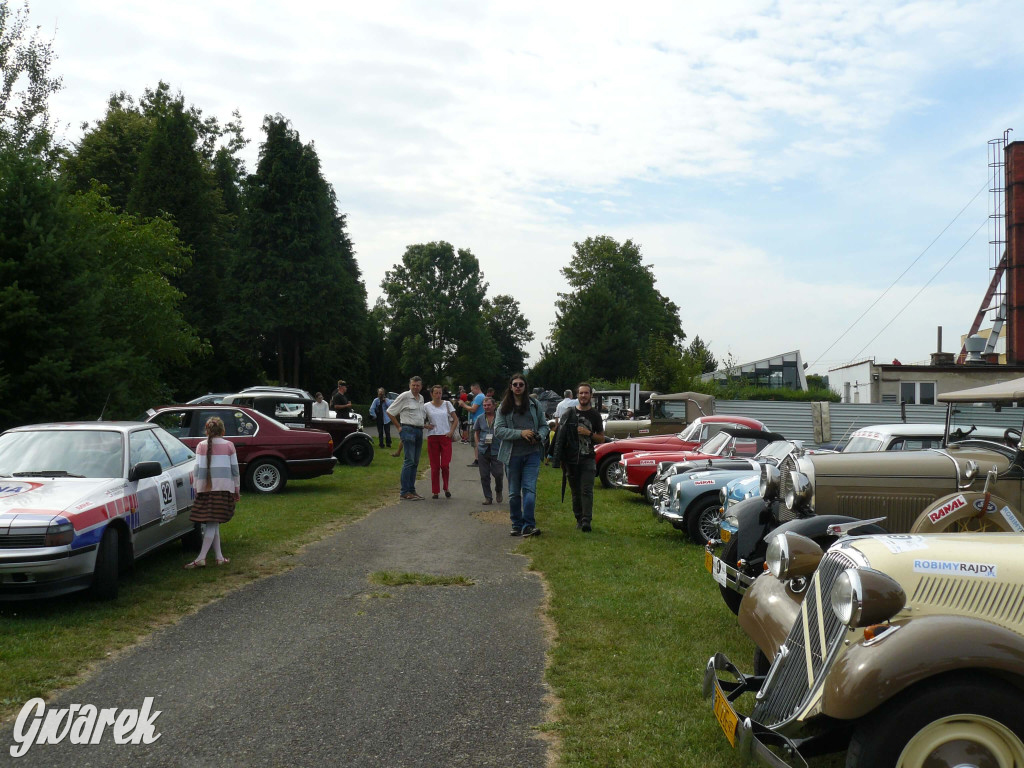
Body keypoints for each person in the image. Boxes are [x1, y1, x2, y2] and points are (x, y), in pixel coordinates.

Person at [494, 373, 549, 537]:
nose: (518, 387)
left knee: (529, 490)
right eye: (515, 384)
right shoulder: (503, 407)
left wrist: (539, 435)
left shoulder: (534, 404)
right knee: (513, 493)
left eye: (521, 384)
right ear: (510, 387)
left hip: (532, 454)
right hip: (512, 455)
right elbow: (498, 430)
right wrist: (521, 433)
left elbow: (544, 426)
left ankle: (529, 525)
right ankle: (516, 524)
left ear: (525, 387)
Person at [185, 417, 240, 568]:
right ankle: (205, 557)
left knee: (212, 522)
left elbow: (197, 470)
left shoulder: (200, 445)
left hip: (205, 489)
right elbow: (235, 470)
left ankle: (214, 557)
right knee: (213, 523)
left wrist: (196, 488)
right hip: (223, 489)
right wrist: (236, 489)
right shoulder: (229, 445)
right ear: (223, 431)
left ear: (207, 430)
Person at [553, 382, 605, 532]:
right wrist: (559, 458)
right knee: (575, 491)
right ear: (577, 396)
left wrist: (588, 433)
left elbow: (601, 438)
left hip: (588, 457)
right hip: (571, 459)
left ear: (591, 396)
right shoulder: (568, 414)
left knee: (586, 490)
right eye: (581, 393)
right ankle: (578, 518)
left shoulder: (595, 415)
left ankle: (586, 520)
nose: (583, 396)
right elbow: (560, 438)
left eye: (586, 393)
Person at [387, 377, 426, 500]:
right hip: (408, 430)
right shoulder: (404, 396)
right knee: (409, 461)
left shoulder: (421, 398)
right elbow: (390, 412)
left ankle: (412, 490)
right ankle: (404, 491)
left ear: (421, 386)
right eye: (413, 385)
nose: (415, 387)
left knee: (415, 462)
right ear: (410, 385)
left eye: (418, 385)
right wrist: (399, 427)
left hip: (419, 430)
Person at [423, 384, 458, 499]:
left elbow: (455, 419)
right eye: (436, 393)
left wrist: (451, 431)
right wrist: (426, 426)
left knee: (445, 465)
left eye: (440, 393)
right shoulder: (426, 406)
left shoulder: (447, 404)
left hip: (445, 436)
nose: (438, 395)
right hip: (433, 437)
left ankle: (446, 487)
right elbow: (420, 419)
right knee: (435, 466)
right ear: (431, 394)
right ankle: (435, 491)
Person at [474, 396, 503, 505]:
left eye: (489, 405)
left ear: (494, 406)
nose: (486, 407)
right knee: (484, 475)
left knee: (498, 474)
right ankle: (488, 497)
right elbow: (476, 432)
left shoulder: (500, 418)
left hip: (497, 449)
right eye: (484, 405)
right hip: (483, 450)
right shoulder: (480, 418)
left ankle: (499, 490)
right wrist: (478, 445)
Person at [461, 383, 485, 464]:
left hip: (477, 422)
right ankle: (478, 459)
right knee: (476, 441)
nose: (471, 393)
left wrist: (463, 405)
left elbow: (473, 409)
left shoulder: (479, 397)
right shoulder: (480, 396)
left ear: (476, 388)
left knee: (476, 441)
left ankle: (478, 459)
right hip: (477, 421)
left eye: (472, 390)